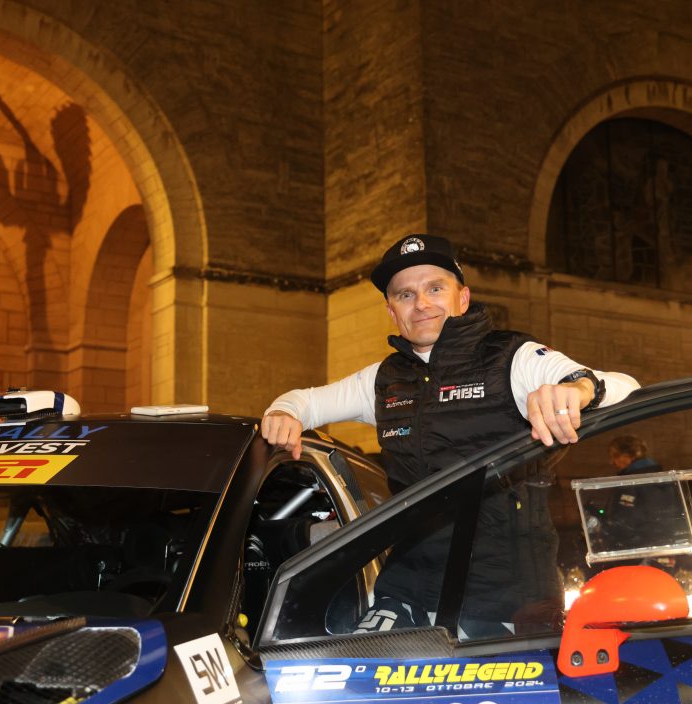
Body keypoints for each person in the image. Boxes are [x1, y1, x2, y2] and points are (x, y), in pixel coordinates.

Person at [262, 233, 640, 633]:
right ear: (392, 311)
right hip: (409, 596)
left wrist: (579, 390)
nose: (421, 304)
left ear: (463, 297)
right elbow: (305, 401)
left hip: (511, 606)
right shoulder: (383, 380)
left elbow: (626, 387)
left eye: (435, 288)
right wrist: (283, 412)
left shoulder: (513, 358)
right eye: (405, 295)